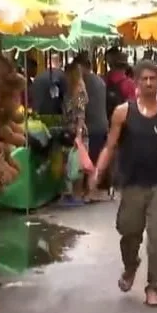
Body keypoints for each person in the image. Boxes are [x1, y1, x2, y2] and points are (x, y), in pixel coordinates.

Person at [90, 60, 157, 307]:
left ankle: (153, 289)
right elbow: (111, 145)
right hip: (132, 185)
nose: (148, 83)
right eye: (144, 79)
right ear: (136, 82)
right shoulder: (123, 112)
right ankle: (130, 266)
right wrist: (98, 172)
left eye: (153, 79)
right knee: (129, 233)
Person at [75, 54, 109, 202]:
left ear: (82, 66)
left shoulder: (85, 83)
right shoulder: (99, 80)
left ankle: (90, 192)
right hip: (101, 124)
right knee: (94, 160)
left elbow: (82, 105)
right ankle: (92, 191)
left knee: (90, 163)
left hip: (92, 126)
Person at [60, 62, 89, 206]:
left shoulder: (79, 91)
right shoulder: (71, 90)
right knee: (71, 162)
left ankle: (77, 195)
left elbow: (81, 114)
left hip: (77, 131)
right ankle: (71, 194)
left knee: (77, 163)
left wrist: (78, 135)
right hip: (70, 129)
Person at [105, 51, 136, 122]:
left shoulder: (103, 80)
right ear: (125, 67)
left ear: (110, 65)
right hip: (122, 123)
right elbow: (133, 107)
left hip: (105, 122)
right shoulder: (130, 84)